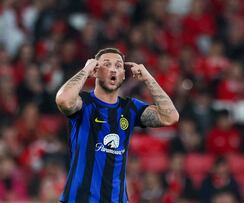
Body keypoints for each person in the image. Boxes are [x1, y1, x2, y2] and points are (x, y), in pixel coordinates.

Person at [55, 47, 179, 203]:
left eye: (118, 66)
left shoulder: (130, 108)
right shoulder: (84, 103)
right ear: (95, 71)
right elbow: (63, 100)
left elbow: (170, 116)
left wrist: (148, 78)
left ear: (123, 75)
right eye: (106, 64)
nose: (113, 69)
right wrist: (86, 70)